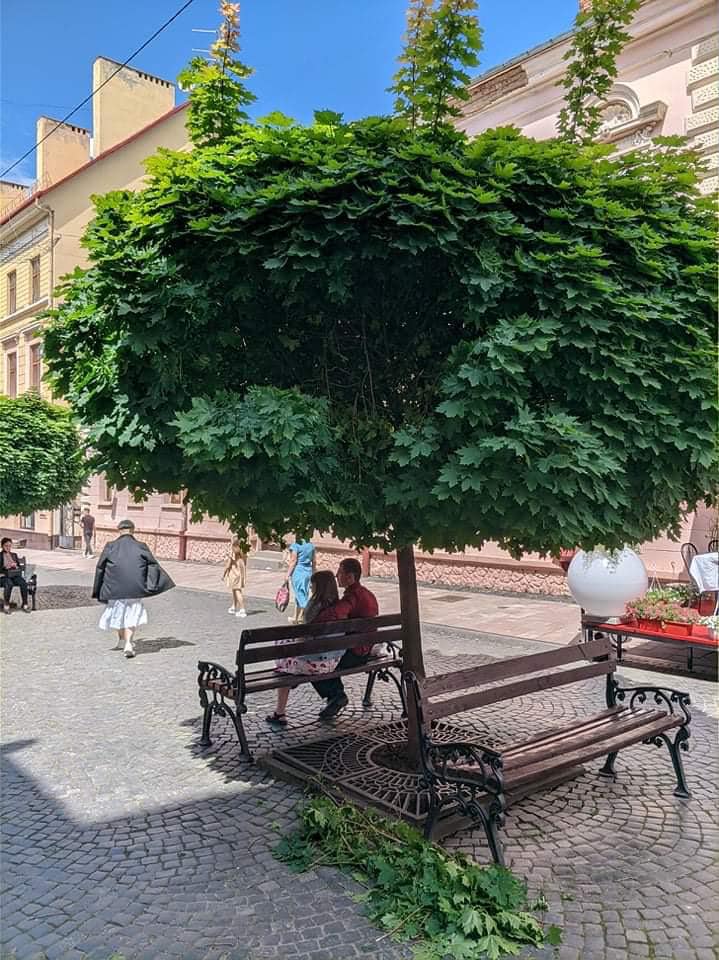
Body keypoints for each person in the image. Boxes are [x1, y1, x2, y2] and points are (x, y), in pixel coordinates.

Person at [265, 570, 348, 726]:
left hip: (314, 664)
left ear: (319, 586)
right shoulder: (340, 606)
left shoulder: (315, 606)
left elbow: (303, 638)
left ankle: (279, 713)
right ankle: (283, 701)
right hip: (333, 662)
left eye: (312, 584)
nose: (310, 587)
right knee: (287, 658)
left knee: (283, 661)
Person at [92, 518, 174, 658]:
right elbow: (153, 565)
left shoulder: (110, 546)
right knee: (131, 613)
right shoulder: (141, 546)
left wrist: (98, 588)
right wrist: (151, 584)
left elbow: (100, 567)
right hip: (135, 587)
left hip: (114, 587)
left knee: (118, 613)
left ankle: (123, 640)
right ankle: (128, 642)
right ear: (133, 530)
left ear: (119, 530)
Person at [312, 557, 378, 719]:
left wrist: (313, 621)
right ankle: (336, 695)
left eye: (340, 572)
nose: (336, 575)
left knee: (314, 664)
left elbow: (335, 614)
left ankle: (337, 696)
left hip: (355, 653)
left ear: (350, 577)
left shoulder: (352, 597)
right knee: (324, 658)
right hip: (365, 648)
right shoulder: (367, 594)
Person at [287, 538, 315, 624]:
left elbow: (293, 561)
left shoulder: (296, 545)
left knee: (300, 595)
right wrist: (314, 574)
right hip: (308, 572)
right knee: (302, 594)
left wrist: (287, 575)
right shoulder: (311, 545)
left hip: (298, 572)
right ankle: (296, 617)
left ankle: (306, 617)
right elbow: (314, 561)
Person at [1, 538, 31, 614]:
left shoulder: (14, 555)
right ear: (2, 546)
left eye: (9, 546)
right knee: (9, 584)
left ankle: (25, 604)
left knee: (23, 583)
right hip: (4, 576)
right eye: (6, 546)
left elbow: (19, 567)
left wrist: (15, 566)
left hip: (14, 575)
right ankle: (6, 605)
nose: (8, 547)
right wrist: (6, 567)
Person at [223, 538, 247, 617]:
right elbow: (244, 564)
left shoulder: (233, 553)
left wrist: (223, 574)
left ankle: (242, 609)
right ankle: (234, 606)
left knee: (237, 591)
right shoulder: (243, 553)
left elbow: (228, 565)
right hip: (240, 574)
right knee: (234, 590)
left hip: (234, 574)